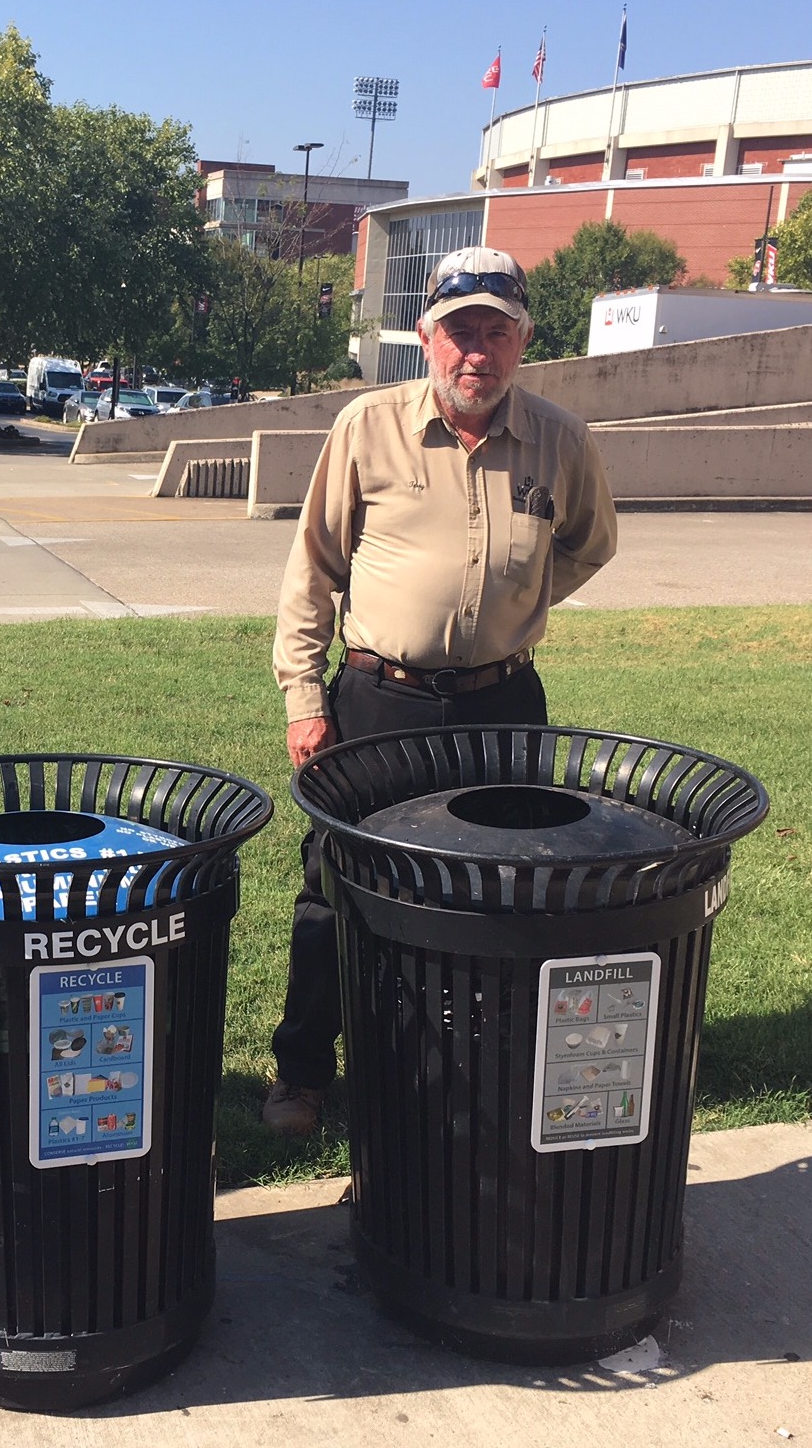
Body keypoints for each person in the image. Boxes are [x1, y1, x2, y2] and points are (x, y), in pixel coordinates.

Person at [263, 245, 618, 1137]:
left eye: (495, 332)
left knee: (488, 890)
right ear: (425, 336)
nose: (477, 353)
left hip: (501, 706)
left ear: (521, 341)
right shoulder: (366, 427)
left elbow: (586, 544)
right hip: (379, 702)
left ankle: (458, 1071)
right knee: (335, 883)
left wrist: (517, 598)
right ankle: (303, 1073)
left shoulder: (560, 440)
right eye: (460, 331)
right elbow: (312, 568)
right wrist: (305, 697)